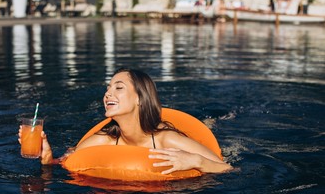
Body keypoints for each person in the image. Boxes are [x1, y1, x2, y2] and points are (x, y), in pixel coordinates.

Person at [19, 68, 232, 175]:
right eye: (108, 88)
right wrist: (47, 158)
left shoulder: (168, 140)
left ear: (140, 98)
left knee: (215, 127)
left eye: (118, 88)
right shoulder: (103, 140)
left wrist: (195, 161)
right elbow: (66, 162)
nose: (108, 94)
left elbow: (228, 168)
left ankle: (215, 121)